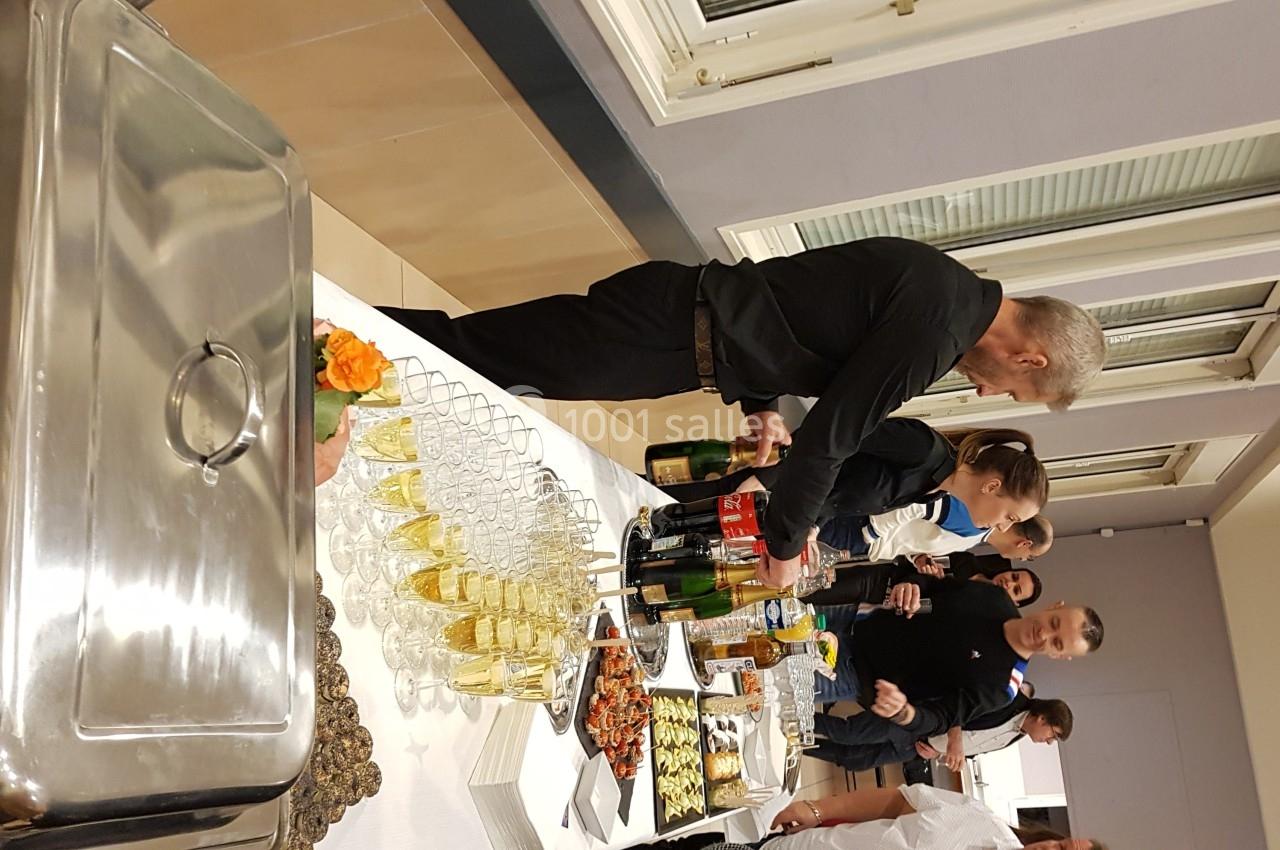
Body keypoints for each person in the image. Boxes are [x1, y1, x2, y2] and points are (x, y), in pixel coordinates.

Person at [377, 237, 1105, 586]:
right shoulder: (936, 328)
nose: (989, 397)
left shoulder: (946, 292)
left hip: (683, 334)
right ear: (1031, 359)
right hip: (667, 326)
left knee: (484, 362)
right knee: (470, 354)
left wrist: (762, 406)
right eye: (1015, 391)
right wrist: (784, 549)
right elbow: (829, 443)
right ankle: (324, 344)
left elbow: (791, 308)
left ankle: (341, 359)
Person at [810, 579, 1102, 740]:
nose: (1044, 634)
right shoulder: (994, 598)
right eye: (1054, 623)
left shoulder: (1002, 688)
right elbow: (931, 588)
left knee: (782, 677)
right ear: (1054, 607)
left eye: (1056, 642)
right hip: (853, 618)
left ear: (1058, 655)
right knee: (783, 620)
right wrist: (911, 586)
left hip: (850, 673)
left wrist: (905, 712)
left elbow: (941, 718)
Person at [636, 784, 1104, 849]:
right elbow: (893, 801)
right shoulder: (979, 818)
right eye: (1062, 848)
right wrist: (817, 809)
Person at [820, 695, 1072, 773]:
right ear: (1042, 718)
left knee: (855, 760)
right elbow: (959, 703)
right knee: (848, 733)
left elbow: (973, 748)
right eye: (1053, 734)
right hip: (917, 722)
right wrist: (954, 740)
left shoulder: (1016, 736)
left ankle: (802, 745)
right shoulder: (1008, 699)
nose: (1049, 742)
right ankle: (799, 723)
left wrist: (938, 754)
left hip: (921, 749)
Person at [804, 561, 1043, 609]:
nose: (1008, 583)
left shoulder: (979, 612)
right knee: (808, 592)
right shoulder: (966, 561)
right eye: (1014, 577)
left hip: (879, 618)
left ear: (1015, 603)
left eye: (1016, 590)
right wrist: (924, 567)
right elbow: (915, 554)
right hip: (878, 584)